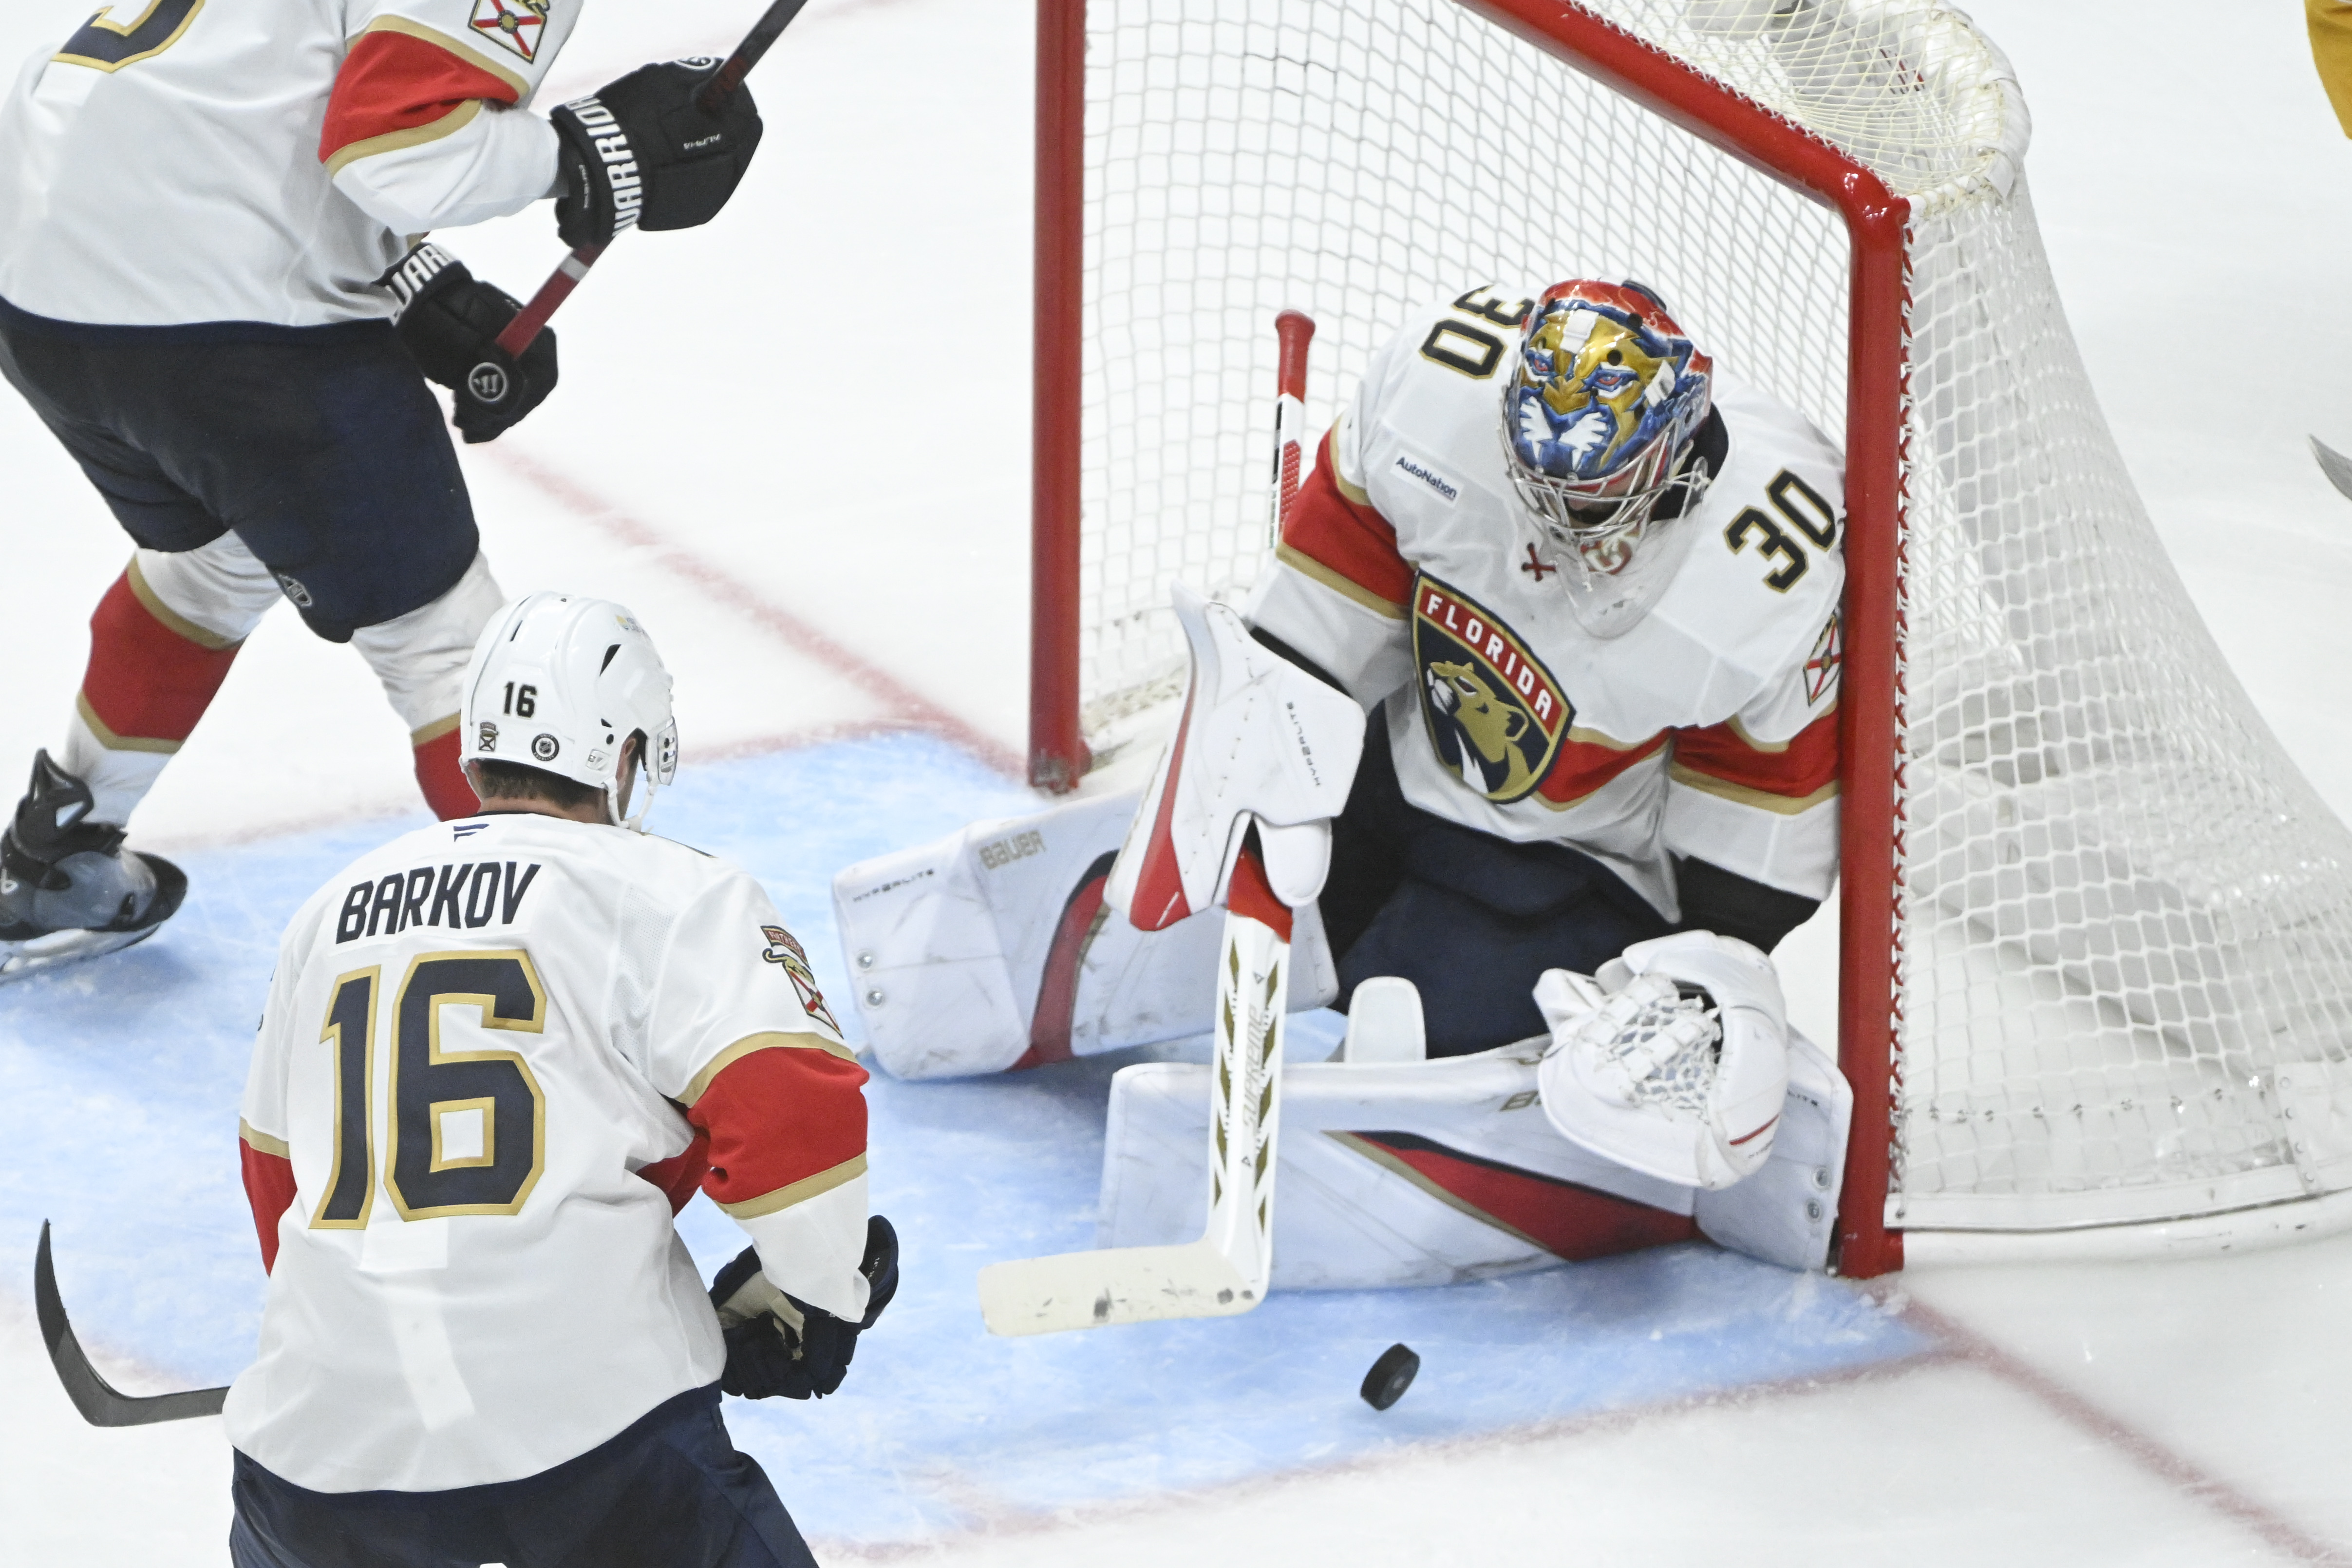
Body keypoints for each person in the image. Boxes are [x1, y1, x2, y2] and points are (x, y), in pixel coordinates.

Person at [835, 280, 1852, 1281]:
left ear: (1671, 455)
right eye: (1535, 484)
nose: (1548, 528)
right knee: (1245, 848)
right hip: (1395, 772)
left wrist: (1676, 978)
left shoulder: (1764, 566)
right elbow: (1312, 635)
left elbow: (1755, 858)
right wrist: (1267, 763)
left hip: (1579, 868)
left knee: (1400, 996)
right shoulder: (1436, 394)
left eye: (1586, 497)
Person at [0, 0, 764, 982]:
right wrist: (588, 151)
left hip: (41, 275)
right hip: (221, 316)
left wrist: (412, 282)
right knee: (448, 646)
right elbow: (395, 148)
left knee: (213, 564)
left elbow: (239, 95)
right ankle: (573, 980)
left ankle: (51, 860)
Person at [228, 593, 890, 1568]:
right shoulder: (671, 894)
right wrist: (817, 1300)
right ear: (625, 758)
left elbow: (276, 1176)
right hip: (596, 1442)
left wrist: (382, 1352)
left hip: (313, 1457)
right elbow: (795, 1116)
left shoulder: (324, 912)